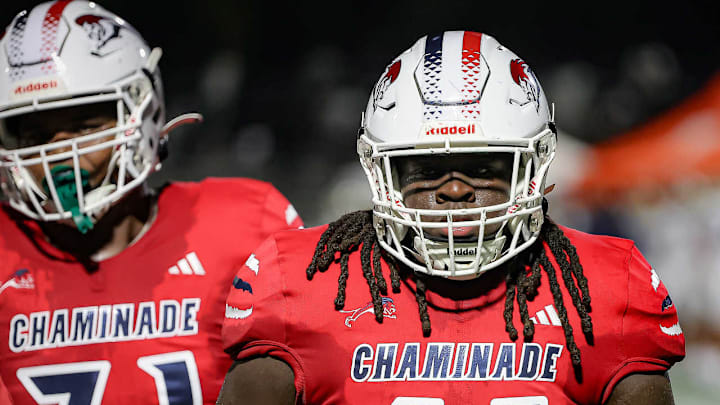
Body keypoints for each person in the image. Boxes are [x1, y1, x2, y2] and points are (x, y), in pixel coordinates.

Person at [218, 31, 685, 404]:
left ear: (537, 165)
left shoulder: (603, 289)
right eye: (425, 170)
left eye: (482, 168)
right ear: (381, 171)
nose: (456, 190)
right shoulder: (299, 285)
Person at [0, 1, 302, 404]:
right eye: (35, 135)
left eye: (84, 125)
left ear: (142, 112)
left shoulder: (242, 225)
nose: (59, 154)